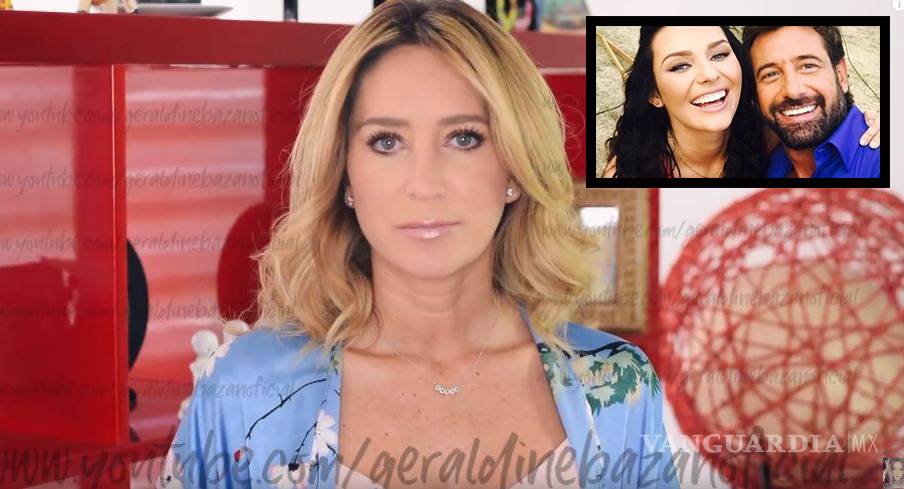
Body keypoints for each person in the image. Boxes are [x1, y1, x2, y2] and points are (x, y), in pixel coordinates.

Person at [157, 1, 679, 488]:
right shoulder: (245, 389)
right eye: (386, 141)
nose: (424, 184)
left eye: (464, 138)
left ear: (514, 168)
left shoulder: (618, 385)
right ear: (345, 173)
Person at [602, 26, 879, 178]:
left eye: (719, 55)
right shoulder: (631, 170)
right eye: (680, 66)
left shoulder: (771, 133)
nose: (710, 75)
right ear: (654, 94)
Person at [743, 25, 881, 178]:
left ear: (841, 75)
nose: (793, 91)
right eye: (771, 74)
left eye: (808, 66)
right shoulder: (763, 160)